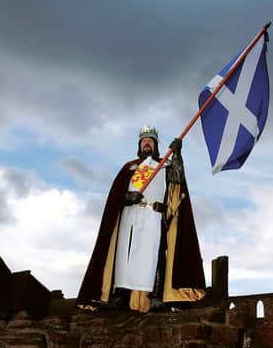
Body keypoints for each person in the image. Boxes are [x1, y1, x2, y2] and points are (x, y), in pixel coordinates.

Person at [77, 126, 206, 312]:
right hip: (129, 214)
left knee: (154, 254)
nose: (147, 143)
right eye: (144, 141)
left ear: (155, 145)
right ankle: (120, 294)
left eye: (150, 141)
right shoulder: (129, 167)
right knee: (124, 255)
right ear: (139, 145)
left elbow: (178, 179)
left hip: (153, 215)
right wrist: (127, 198)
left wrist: (177, 154)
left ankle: (155, 297)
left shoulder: (165, 165)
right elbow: (115, 197)